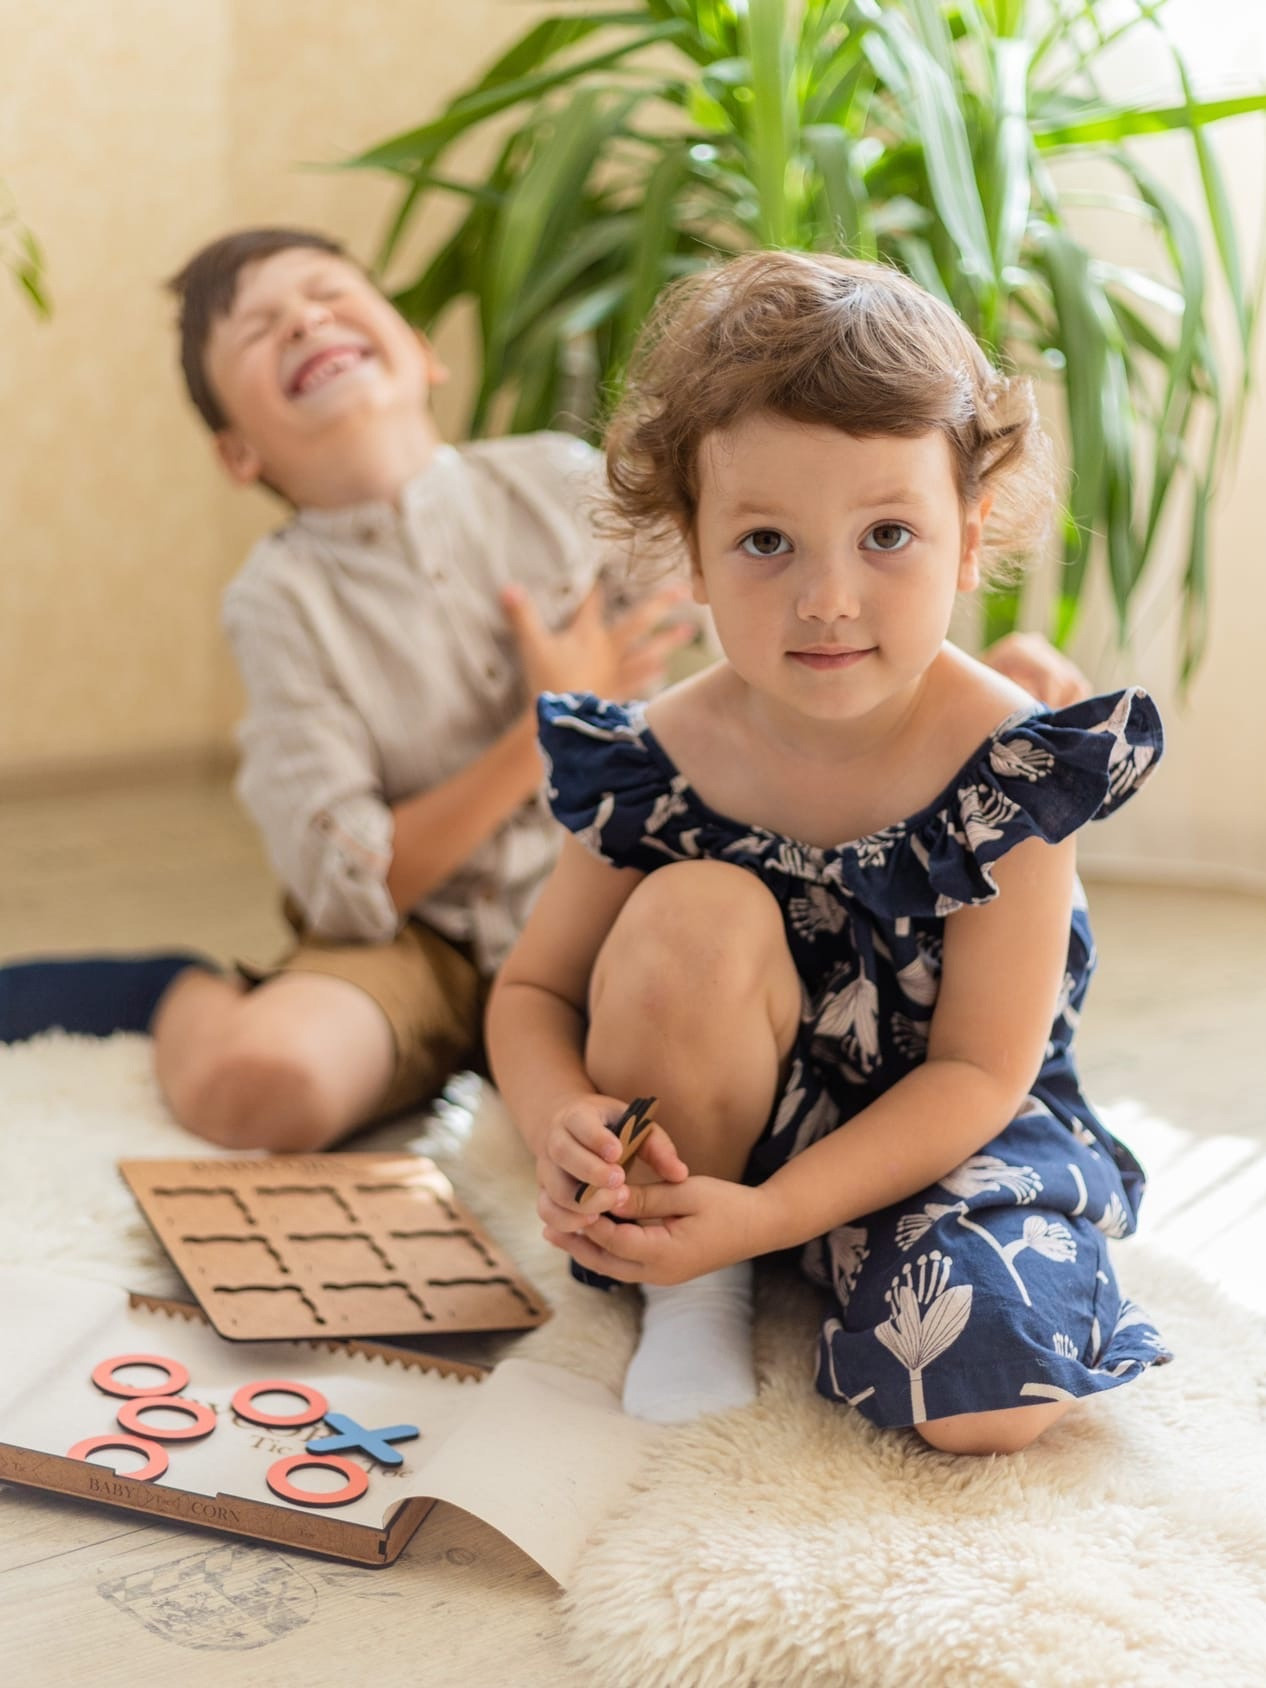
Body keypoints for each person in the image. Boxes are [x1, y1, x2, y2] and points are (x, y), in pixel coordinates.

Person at [0, 228, 1087, 1150]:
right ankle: (177, 987)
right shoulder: (276, 601)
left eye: (329, 293)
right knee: (261, 1088)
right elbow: (351, 881)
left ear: (420, 352)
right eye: (261, 326)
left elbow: (802, 608)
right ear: (239, 452)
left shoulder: (562, 485)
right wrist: (547, 728)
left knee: (690, 1006)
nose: (303, 321)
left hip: (612, 912)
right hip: (419, 942)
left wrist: (980, 693)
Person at [485, 250, 1169, 1457]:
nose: (828, 598)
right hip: (711, 1126)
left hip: (942, 1126)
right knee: (694, 908)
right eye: (765, 542)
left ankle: (778, 1245)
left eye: (888, 533)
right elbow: (535, 988)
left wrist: (772, 1214)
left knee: (990, 1396)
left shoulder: (1007, 768)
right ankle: (691, 1289)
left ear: (970, 540)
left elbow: (976, 1072)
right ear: (690, 552)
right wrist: (561, 1118)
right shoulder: (661, 754)